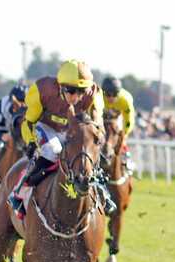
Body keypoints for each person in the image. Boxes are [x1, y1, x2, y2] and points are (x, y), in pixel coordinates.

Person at [7, 59, 104, 217]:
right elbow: (28, 121)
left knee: (86, 153)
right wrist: (31, 142)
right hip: (46, 127)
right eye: (71, 90)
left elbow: (97, 125)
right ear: (60, 86)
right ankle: (19, 191)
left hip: (73, 130)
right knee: (53, 151)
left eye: (81, 91)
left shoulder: (94, 95)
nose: (76, 96)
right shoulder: (42, 90)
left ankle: (102, 191)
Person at [102, 76, 136, 170]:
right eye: (108, 94)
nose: (111, 98)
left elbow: (129, 121)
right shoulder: (99, 97)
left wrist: (123, 136)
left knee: (120, 140)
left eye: (115, 94)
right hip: (103, 121)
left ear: (119, 93)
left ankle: (126, 160)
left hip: (118, 121)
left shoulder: (125, 99)